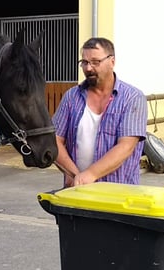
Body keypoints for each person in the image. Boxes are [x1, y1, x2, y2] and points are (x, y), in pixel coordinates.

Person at [52, 37, 148, 187]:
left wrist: (90, 174)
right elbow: (55, 140)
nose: (88, 68)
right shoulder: (71, 97)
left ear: (112, 61)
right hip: (75, 192)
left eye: (95, 62)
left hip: (118, 195)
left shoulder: (132, 98)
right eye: (84, 62)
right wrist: (74, 174)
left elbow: (126, 146)